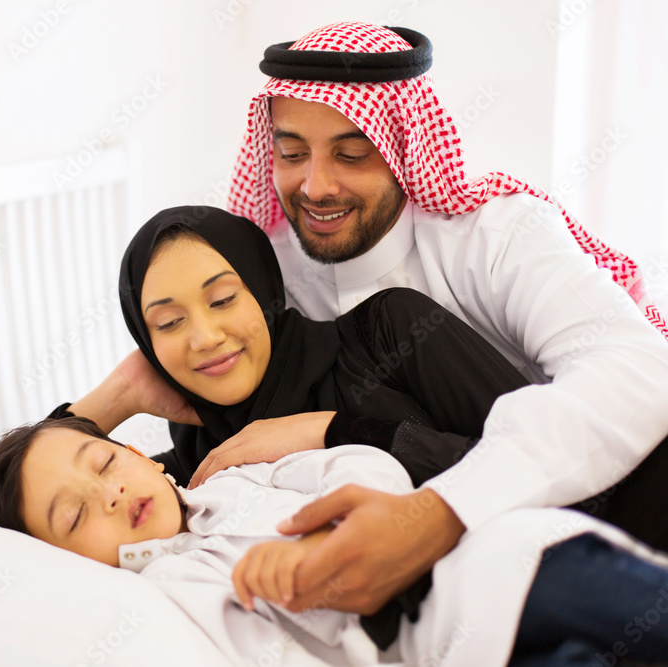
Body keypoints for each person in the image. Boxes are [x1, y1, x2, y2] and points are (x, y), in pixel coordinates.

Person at [69, 22, 668, 616]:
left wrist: (437, 509)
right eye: (291, 153)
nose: (315, 186)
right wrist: (118, 394)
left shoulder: (497, 235)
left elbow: (638, 369)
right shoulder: (265, 276)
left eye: (352, 154)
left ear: (404, 146)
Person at [0, 415, 668, 667]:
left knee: (622, 602)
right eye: (74, 515)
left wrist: (349, 516)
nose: (109, 493)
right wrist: (285, 582)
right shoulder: (179, 588)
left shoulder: (241, 478)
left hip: (496, 569)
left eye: (103, 464)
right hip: (446, 649)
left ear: (141, 455)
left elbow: (366, 465)